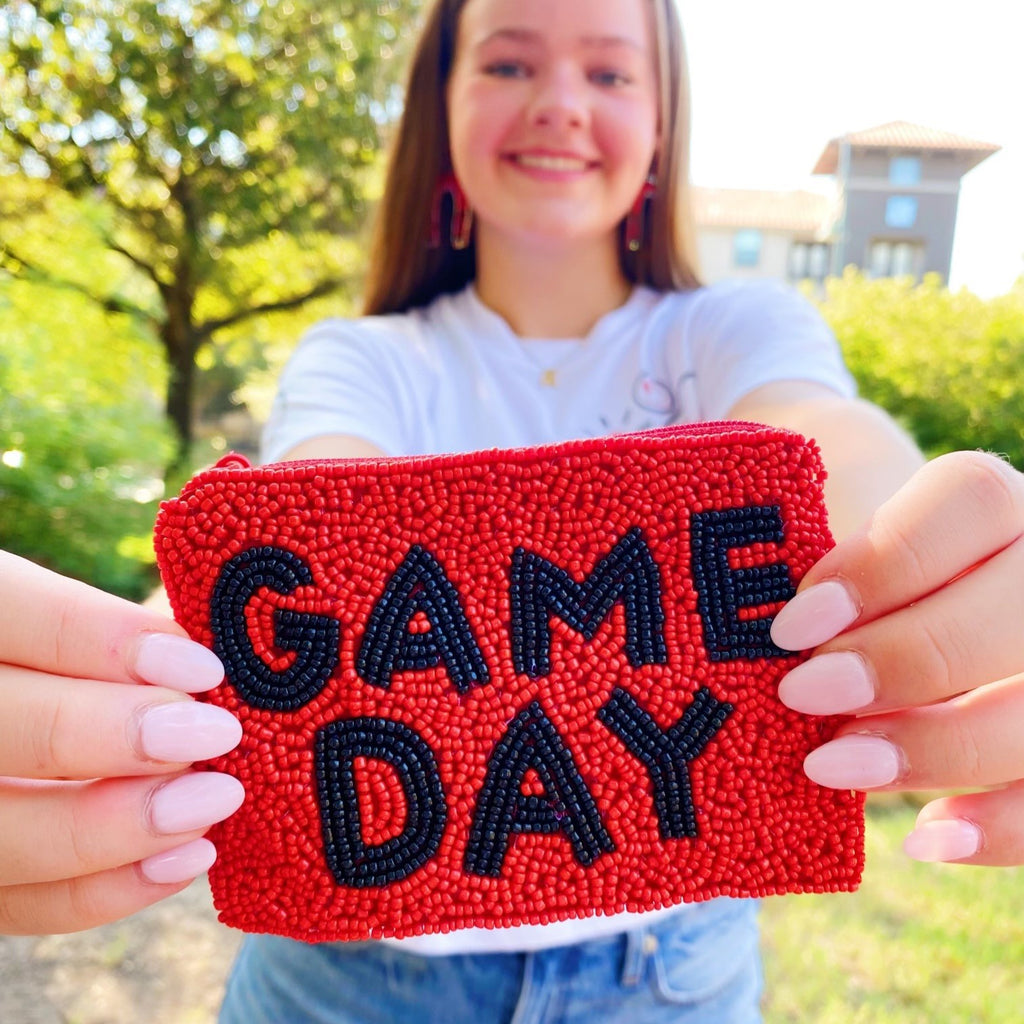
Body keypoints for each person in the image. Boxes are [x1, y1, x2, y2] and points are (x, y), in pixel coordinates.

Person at [3, 0, 1023, 1019]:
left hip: (670, 975)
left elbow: (823, 449)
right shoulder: (360, 360)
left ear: (663, 123)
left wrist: (923, 572)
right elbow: (321, 529)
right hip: (346, 979)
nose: (559, 104)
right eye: (508, 64)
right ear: (438, 108)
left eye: (611, 74)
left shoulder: (740, 329)